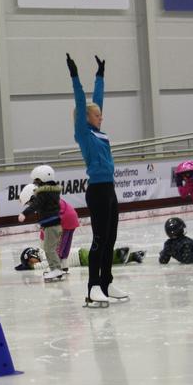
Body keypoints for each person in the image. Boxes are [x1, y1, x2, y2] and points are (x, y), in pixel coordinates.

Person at [68, 53, 127, 307]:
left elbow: (97, 101)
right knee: (99, 240)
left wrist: (100, 75)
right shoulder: (83, 133)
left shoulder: (100, 133)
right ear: (87, 118)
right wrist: (75, 77)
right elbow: (83, 102)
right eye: (97, 114)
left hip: (110, 189)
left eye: (101, 114)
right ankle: (92, 287)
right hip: (97, 191)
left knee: (111, 239)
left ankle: (106, 283)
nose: (101, 116)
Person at [18, 165, 66, 282]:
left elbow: (36, 205)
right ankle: (55, 269)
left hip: (51, 225)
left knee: (49, 249)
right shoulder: (52, 192)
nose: (35, 183)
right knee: (50, 248)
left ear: (43, 179)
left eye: (37, 180)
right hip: (54, 225)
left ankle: (56, 270)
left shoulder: (43, 193)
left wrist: (24, 213)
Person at [14, 245, 143, 271]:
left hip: (79, 257)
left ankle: (118, 254)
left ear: (34, 255)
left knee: (101, 260)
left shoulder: (44, 253)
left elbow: (46, 264)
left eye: (31, 261)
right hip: (80, 256)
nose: (33, 263)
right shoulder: (43, 253)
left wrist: (31, 267)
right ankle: (132, 256)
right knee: (101, 261)